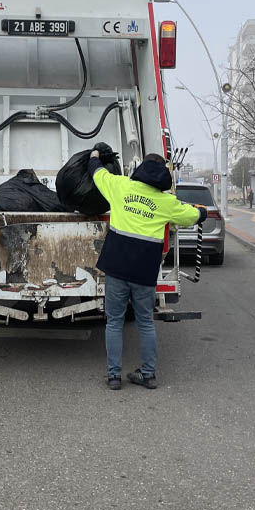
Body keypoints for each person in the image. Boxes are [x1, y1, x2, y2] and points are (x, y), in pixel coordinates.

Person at [88, 145, 207, 390]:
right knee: (145, 322)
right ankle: (149, 374)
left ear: (140, 169)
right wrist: (202, 212)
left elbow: (96, 173)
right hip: (144, 273)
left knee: (113, 322)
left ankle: (113, 376)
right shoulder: (167, 202)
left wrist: (94, 156)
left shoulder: (121, 187)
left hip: (117, 268)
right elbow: (192, 216)